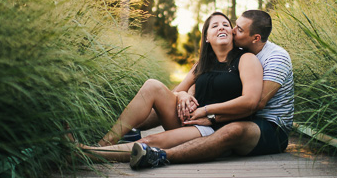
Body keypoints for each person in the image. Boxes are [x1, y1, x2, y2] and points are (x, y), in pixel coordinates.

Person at [73, 12, 264, 163]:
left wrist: (206, 112)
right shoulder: (202, 64)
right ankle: (103, 143)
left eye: (225, 25)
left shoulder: (246, 59)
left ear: (232, 33)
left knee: (148, 142)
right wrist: (182, 95)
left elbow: (250, 101)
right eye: (214, 26)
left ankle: (86, 154)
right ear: (207, 37)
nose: (221, 27)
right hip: (189, 120)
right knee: (152, 86)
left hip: (212, 128)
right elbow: (175, 91)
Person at [130, 9, 294, 169]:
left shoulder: (275, 57)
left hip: (270, 126)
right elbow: (201, 82)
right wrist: (186, 95)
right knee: (174, 98)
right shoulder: (242, 50)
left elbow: (256, 104)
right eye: (235, 25)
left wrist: (210, 116)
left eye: (239, 29)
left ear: (255, 38)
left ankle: (161, 155)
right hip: (244, 118)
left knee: (231, 130)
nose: (232, 30)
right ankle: (131, 128)